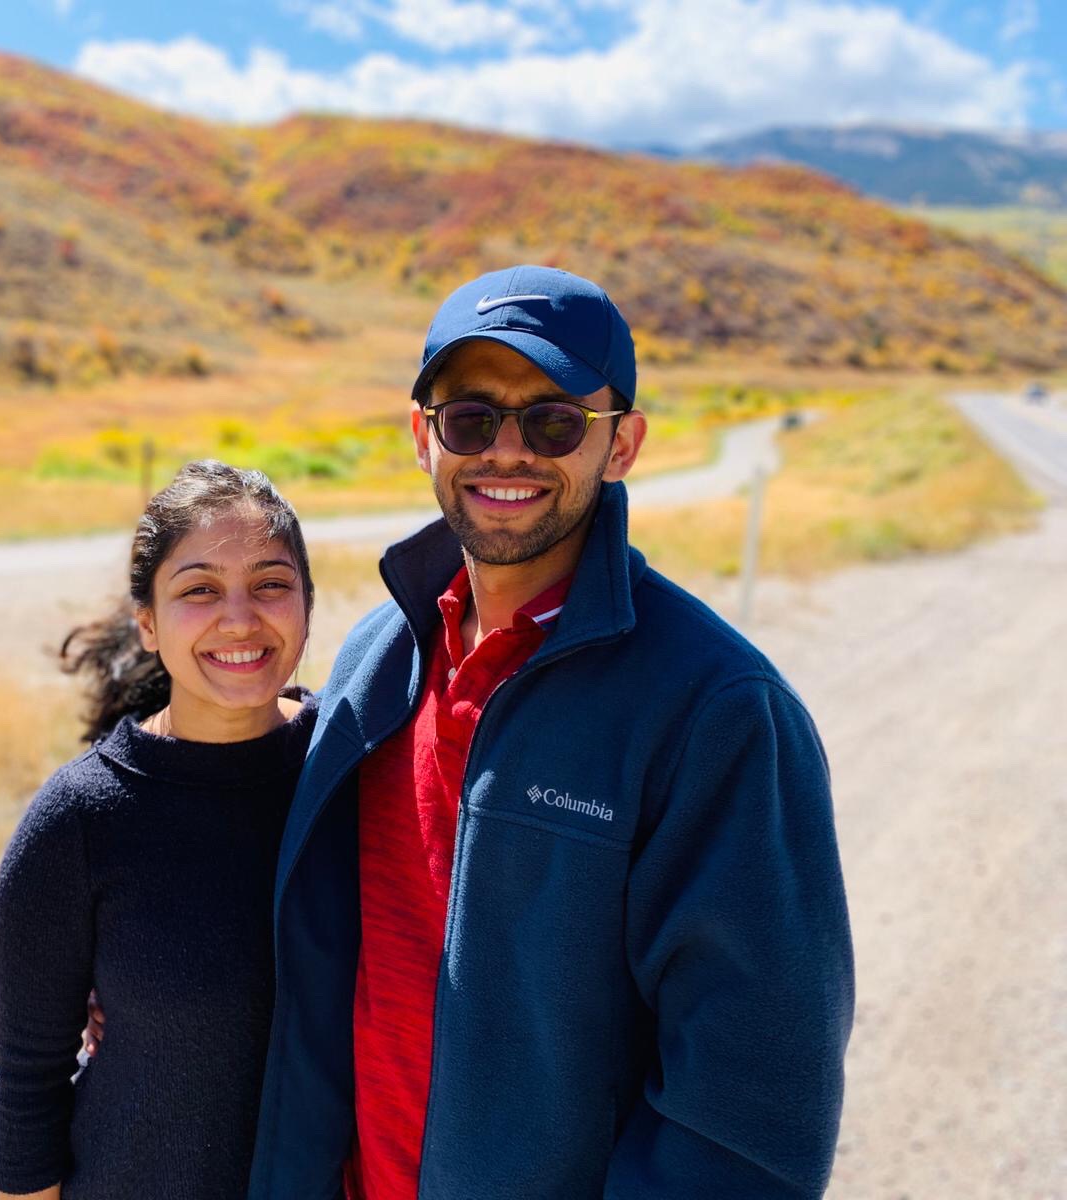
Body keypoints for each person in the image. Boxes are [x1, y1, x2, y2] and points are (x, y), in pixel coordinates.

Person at [246, 266, 854, 1199]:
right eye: (471, 419)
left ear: (622, 445)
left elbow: (749, 1115)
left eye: (554, 421)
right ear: (422, 437)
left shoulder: (717, 712)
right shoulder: (377, 659)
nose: (508, 452)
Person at [0, 460, 320, 1200]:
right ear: (147, 622)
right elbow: (27, 1092)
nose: (240, 617)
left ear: (307, 602)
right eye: (199, 589)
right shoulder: (79, 822)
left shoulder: (354, 765)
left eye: (271, 582)